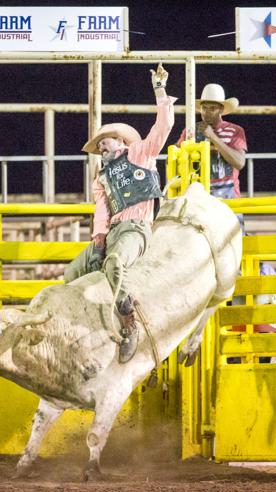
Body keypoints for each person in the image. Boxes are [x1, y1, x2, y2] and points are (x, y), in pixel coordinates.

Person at [64, 63, 175, 364]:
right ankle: (80, 328)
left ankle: (130, 323)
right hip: (113, 231)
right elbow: (101, 206)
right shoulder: (102, 176)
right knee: (72, 272)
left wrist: (159, 89)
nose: (102, 148)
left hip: (137, 228)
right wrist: (99, 234)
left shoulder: (139, 153)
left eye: (106, 142)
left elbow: (162, 127)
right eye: (99, 146)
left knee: (114, 263)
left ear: (122, 142)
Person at [178, 83, 248, 233]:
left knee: (236, 238)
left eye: (212, 108)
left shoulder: (235, 130)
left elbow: (240, 162)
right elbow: (177, 159)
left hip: (228, 197)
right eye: (204, 108)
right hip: (198, 196)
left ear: (221, 109)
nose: (207, 112)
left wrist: (213, 137)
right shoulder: (190, 131)